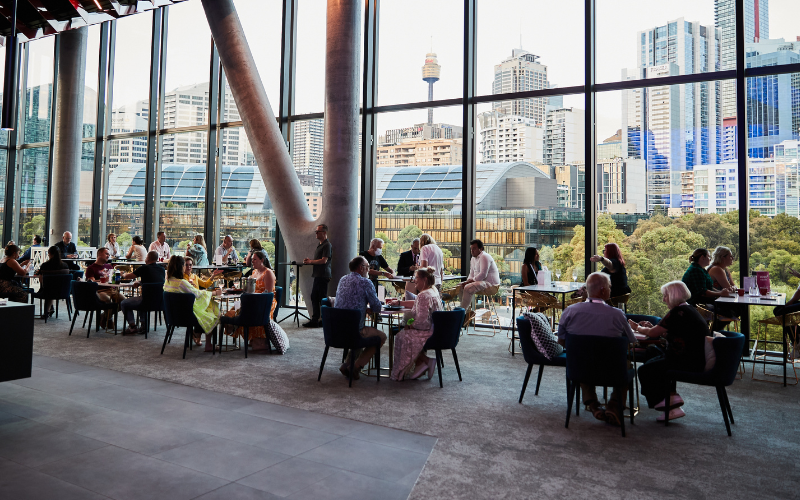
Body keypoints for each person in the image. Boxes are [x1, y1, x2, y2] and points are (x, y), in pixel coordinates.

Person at [557, 272, 636, 426]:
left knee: (581, 359)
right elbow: (630, 342)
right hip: (611, 371)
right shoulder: (617, 315)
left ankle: (593, 404)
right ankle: (614, 405)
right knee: (627, 366)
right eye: (609, 287)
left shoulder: (570, 311)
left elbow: (561, 340)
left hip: (580, 369)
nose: (611, 290)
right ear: (602, 290)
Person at [630, 281, 709, 422]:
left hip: (687, 360)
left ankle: (665, 404)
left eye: (665, 296)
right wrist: (653, 328)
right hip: (694, 356)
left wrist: (637, 328)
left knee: (644, 370)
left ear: (672, 296)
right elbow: (673, 334)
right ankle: (671, 396)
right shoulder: (688, 309)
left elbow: (653, 333)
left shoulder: (677, 312)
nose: (663, 299)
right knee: (652, 352)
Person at [223, 250, 289, 352]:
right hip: (251, 300)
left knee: (246, 311)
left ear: (262, 260)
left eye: (254, 259)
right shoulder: (254, 272)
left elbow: (268, 294)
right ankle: (241, 331)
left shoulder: (268, 273)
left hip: (264, 302)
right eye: (252, 259)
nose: (252, 261)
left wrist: (254, 298)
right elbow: (248, 288)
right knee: (232, 311)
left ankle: (258, 339)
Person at [334, 256, 386, 379]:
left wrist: (363, 307)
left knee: (358, 331)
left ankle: (347, 364)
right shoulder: (365, 282)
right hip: (354, 330)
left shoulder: (342, 279)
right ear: (361, 268)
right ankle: (356, 367)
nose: (369, 270)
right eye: (367, 267)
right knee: (381, 337)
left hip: (336, 330)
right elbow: (377, 307)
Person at [389, 266, 442, 381]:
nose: (414, 280)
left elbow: (422, 322)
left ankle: (405, 370)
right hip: (437, 329)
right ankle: (423, 363)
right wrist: (400, 302)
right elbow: (417, 303)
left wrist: (411, 326)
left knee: (401, 336)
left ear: (424, 280)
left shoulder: (423, 295)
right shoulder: (433, 291)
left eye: (416, 278)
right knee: (404, 334)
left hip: (429, 331)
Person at [163, 255, 222, 349]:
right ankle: (208, 345)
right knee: (212, 315)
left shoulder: (167, 282)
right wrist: (215, 292)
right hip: (186, 316)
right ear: (181, 267)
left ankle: (197, 335)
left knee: (205, 311)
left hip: (173, 316)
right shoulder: (181, 283)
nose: (187, 267)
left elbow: (201, 288)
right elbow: (198, 294)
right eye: (184, 265)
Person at [682, 248, 731, 331]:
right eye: (708, 256)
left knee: (731, 310)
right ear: (702, 257)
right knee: (729, 311)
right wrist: (720, 294)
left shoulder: (701, 269)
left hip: (703, 302)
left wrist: (720, 292)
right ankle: (711, 333)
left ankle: (713, 332)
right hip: (697, 305)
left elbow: (709, 287)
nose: (710, 259)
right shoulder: (695, 271)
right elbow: (703, 292)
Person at [120, 251, 166, 335]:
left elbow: (128, 277)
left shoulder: (144, 268)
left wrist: (122, 274)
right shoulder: (162, 269)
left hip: (146, 301)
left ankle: (132, 326)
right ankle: (144, 325)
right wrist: (141, 282)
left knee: (124, 303)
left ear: (147, 258)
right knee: (143, 299)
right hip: (160, 301)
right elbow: (154, 280)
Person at [454, 240, 501, 322]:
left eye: (474, 248)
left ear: (481, 249)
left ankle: (461, 314)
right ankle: (467, 313)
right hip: (481, 282)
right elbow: (472, 274)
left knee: (468, 287)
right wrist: (467, 281)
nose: (472, 251)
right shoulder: (473, 259)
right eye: (471, 249)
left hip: (491, 285)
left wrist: (468, 282)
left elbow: (483, 274)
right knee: (459, 286)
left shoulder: (484, 257)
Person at [85, 247, 124, 326]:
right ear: (99, 254)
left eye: (109, 254)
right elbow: (91, 281)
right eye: (106, 254)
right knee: (107, 301)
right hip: (99, 291)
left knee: (123, 301)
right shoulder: (91, 268)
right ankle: (108, 319)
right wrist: (103, 279)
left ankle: (104, 316)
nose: (108, 256)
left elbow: (112, 280)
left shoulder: (109, 267)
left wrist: (119, 276)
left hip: (111, 290)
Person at [302, 224, 332, 328]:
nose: (316, 233)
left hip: (323, 275)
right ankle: (317, 320)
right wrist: (310, 261)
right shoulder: (321, 245)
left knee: (320, 298)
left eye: (318, 231)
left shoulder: (327, 245)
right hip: (319, 275)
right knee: (316, 297)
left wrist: (310, 261)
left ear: (324, 233)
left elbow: (324, 260)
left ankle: (320, 320)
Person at [36, 246, 70, 318]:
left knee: (49, 288)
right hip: (63, 292)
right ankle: (50, 309)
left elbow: (41, 280)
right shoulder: (65, 265)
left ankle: (48, 311)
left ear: (49, 253)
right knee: (52, 288)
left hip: (47, 291)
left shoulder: (45, 265)